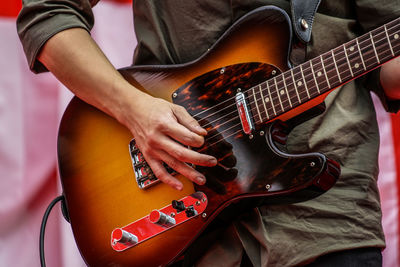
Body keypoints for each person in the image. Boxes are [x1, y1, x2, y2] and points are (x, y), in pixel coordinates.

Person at [17, 0, 400, 266]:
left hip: (325, 219)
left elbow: (388, 63)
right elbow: (47, 15)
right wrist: (134, 111)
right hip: (176, 206)